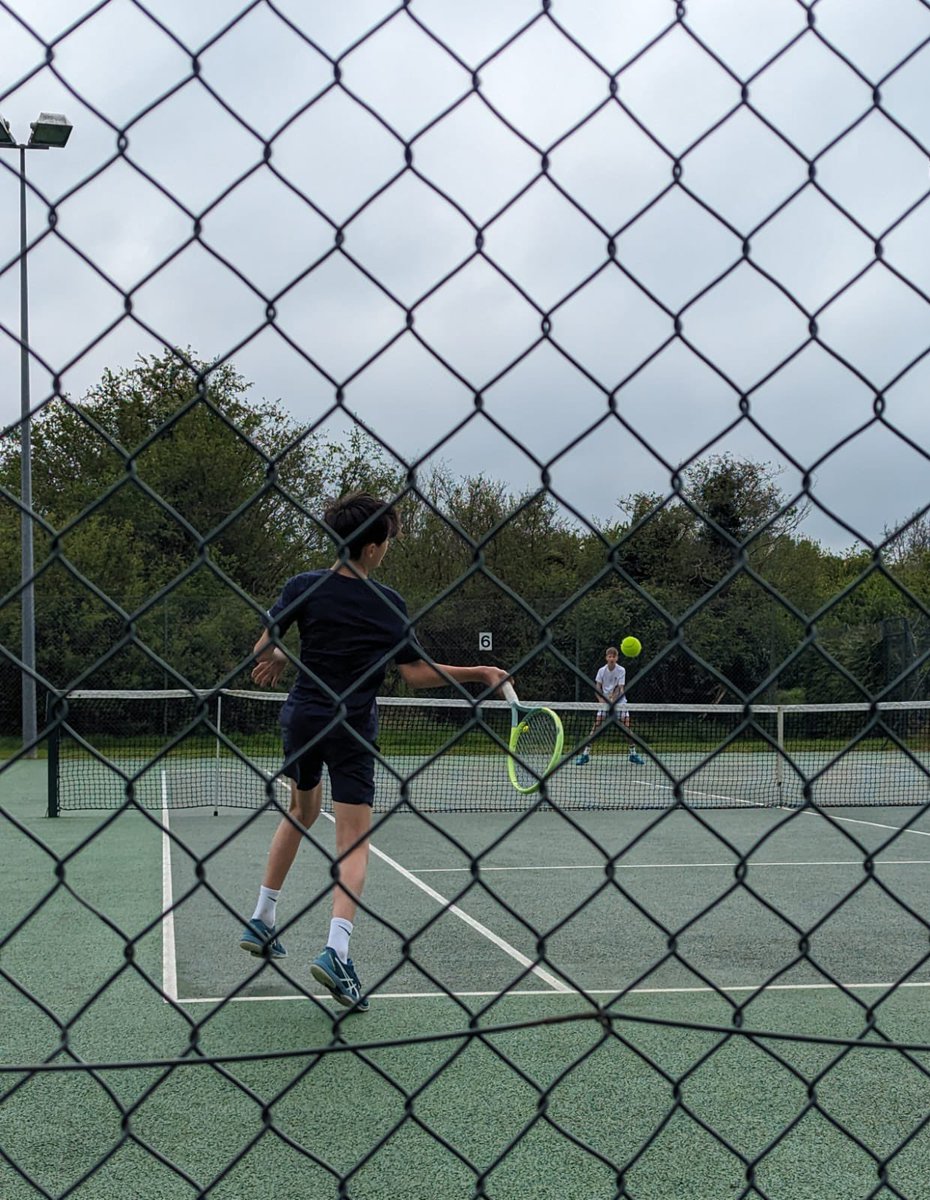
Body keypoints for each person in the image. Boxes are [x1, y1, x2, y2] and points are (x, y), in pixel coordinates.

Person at [240, 491, 510, 1012]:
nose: (389, 547)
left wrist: (273, 651)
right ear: (369, 548)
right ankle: (337, 950)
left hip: (302, 719)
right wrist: (477, 674)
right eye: (387, 540)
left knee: (301, 810)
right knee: (353, 840)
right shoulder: (387, 603)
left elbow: (266, 640)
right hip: (351, 729)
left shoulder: (304, 586)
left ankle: (263, 916)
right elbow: (415, 674)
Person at [575, 645, 644, 767]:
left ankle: (633, 754)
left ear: (617, 658)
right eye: (609, 656)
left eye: (614, 656)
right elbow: (597, 687)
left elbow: (620, 687)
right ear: (606, 658)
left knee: (627, 728)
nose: (611, 658)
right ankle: (585, 755)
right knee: (596, 727)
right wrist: (601, 700)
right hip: (605, 703)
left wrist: (614, 699)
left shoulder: (621, 670)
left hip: (620, 703)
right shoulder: (601, 671)